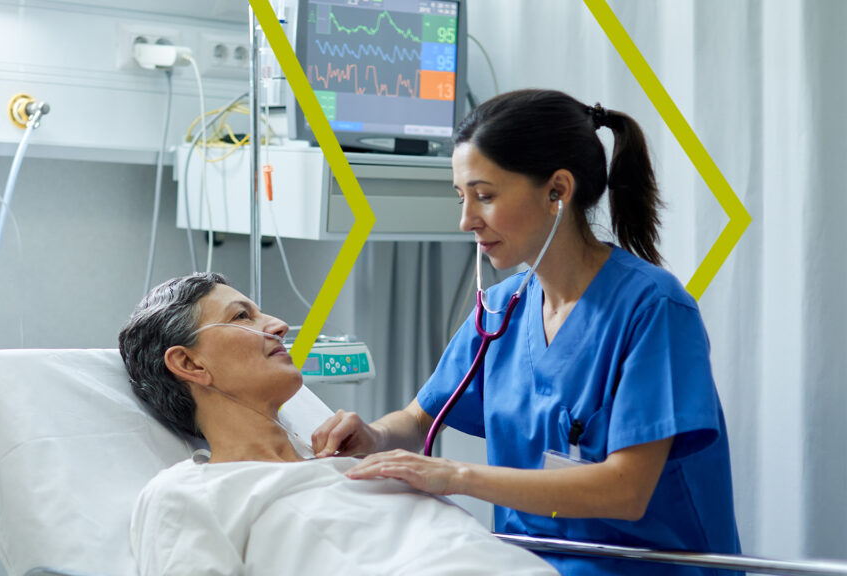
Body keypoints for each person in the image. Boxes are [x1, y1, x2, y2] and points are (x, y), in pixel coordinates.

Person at [311, 89, 742, 576]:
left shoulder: (653, 310)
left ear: (557, 191)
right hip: (526, 565)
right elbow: (417, 420)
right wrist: (373, 435)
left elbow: (626, 490)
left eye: (485, 196)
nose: (465, 220)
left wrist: (456, 476)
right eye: (462, 197)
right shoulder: (499, 309)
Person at [118, 273, 557, 576]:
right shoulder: (188, 494)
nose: (278, 324)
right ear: (189, 362)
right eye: (241, 317)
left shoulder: (365, 468)